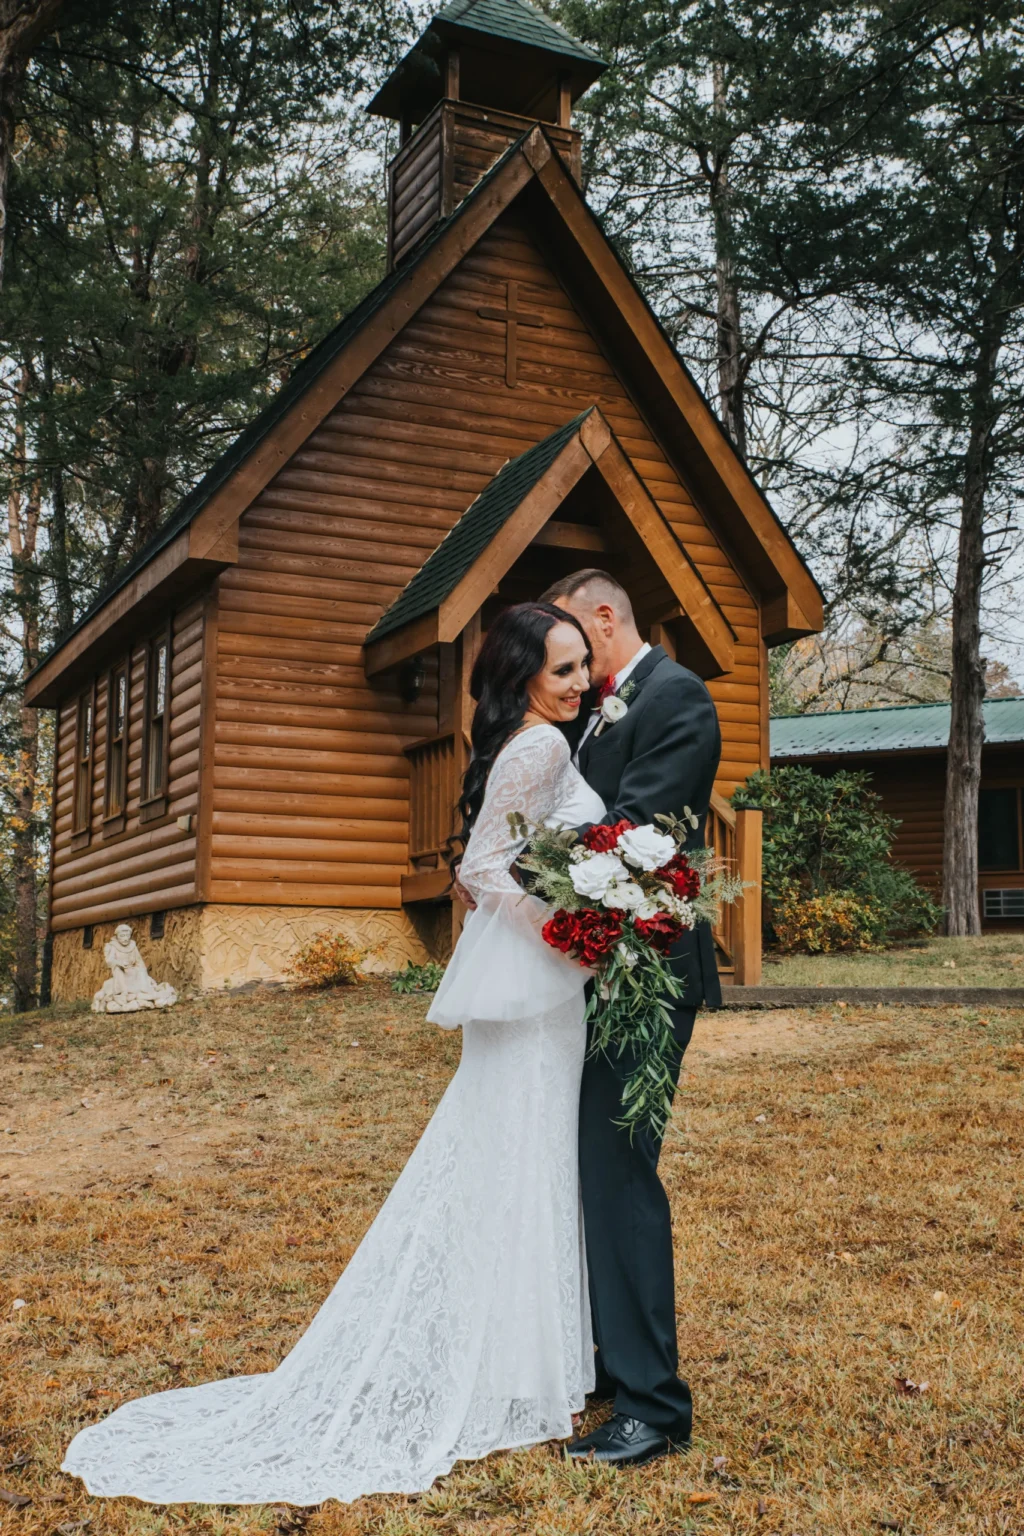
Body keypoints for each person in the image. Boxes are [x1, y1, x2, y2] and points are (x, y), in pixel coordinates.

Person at [61, 602, 609, 1507]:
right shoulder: (540, 748)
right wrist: (572, 924)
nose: (581, 680)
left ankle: (517, 1356)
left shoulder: (526, 742)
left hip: (527, 989)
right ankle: (515, 1366)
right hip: (540, 987)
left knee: (513, 1156)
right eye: (563, 669)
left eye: (584, 663)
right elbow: (481, 870)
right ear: (522, 680)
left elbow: (491, 866)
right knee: (524, 1154)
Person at [542, 570, 722, 1469]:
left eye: (572, 637)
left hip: (648, 973)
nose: (566, 666)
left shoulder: (677, 696)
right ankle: (613, 1369)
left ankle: (654, 1408)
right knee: (589, 1170)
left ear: (605, 617)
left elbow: (640, 826)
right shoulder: (598, 709)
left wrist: (530, 861)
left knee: (620, 1174)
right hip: (596, 973)